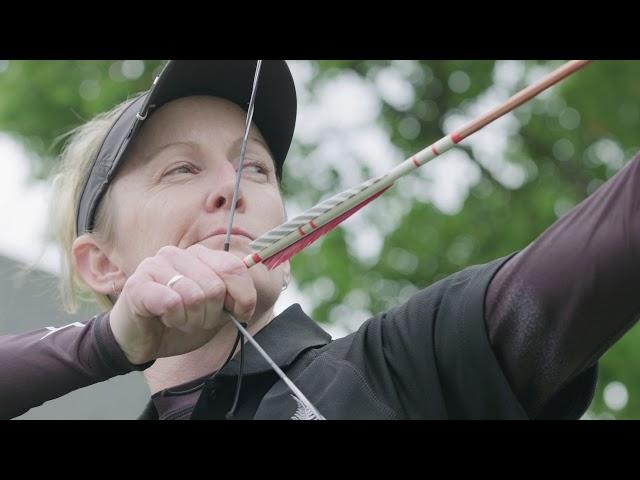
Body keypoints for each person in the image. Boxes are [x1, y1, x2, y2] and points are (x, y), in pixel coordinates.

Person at [0, 60, 637, 420]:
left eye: (255, 167)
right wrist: (107, 346)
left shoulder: (404, 365)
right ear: (102, 264)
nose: (234, 188)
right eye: (183, 168)